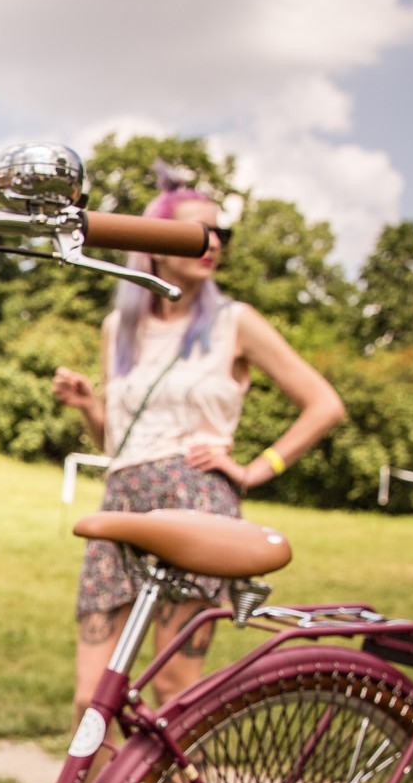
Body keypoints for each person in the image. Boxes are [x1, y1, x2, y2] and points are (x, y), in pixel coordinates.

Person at [52, 188, 344, 717]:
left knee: (172, 693)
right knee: (89, 701)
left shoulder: (236, 321)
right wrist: (90, 409)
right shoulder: (120, 329)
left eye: (220, 234)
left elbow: (324, 405)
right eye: (195, 233)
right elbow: (118, 444)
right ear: (154, 246)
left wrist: (256, 470)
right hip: (122, 502)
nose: (212, 245)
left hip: (196, 501)